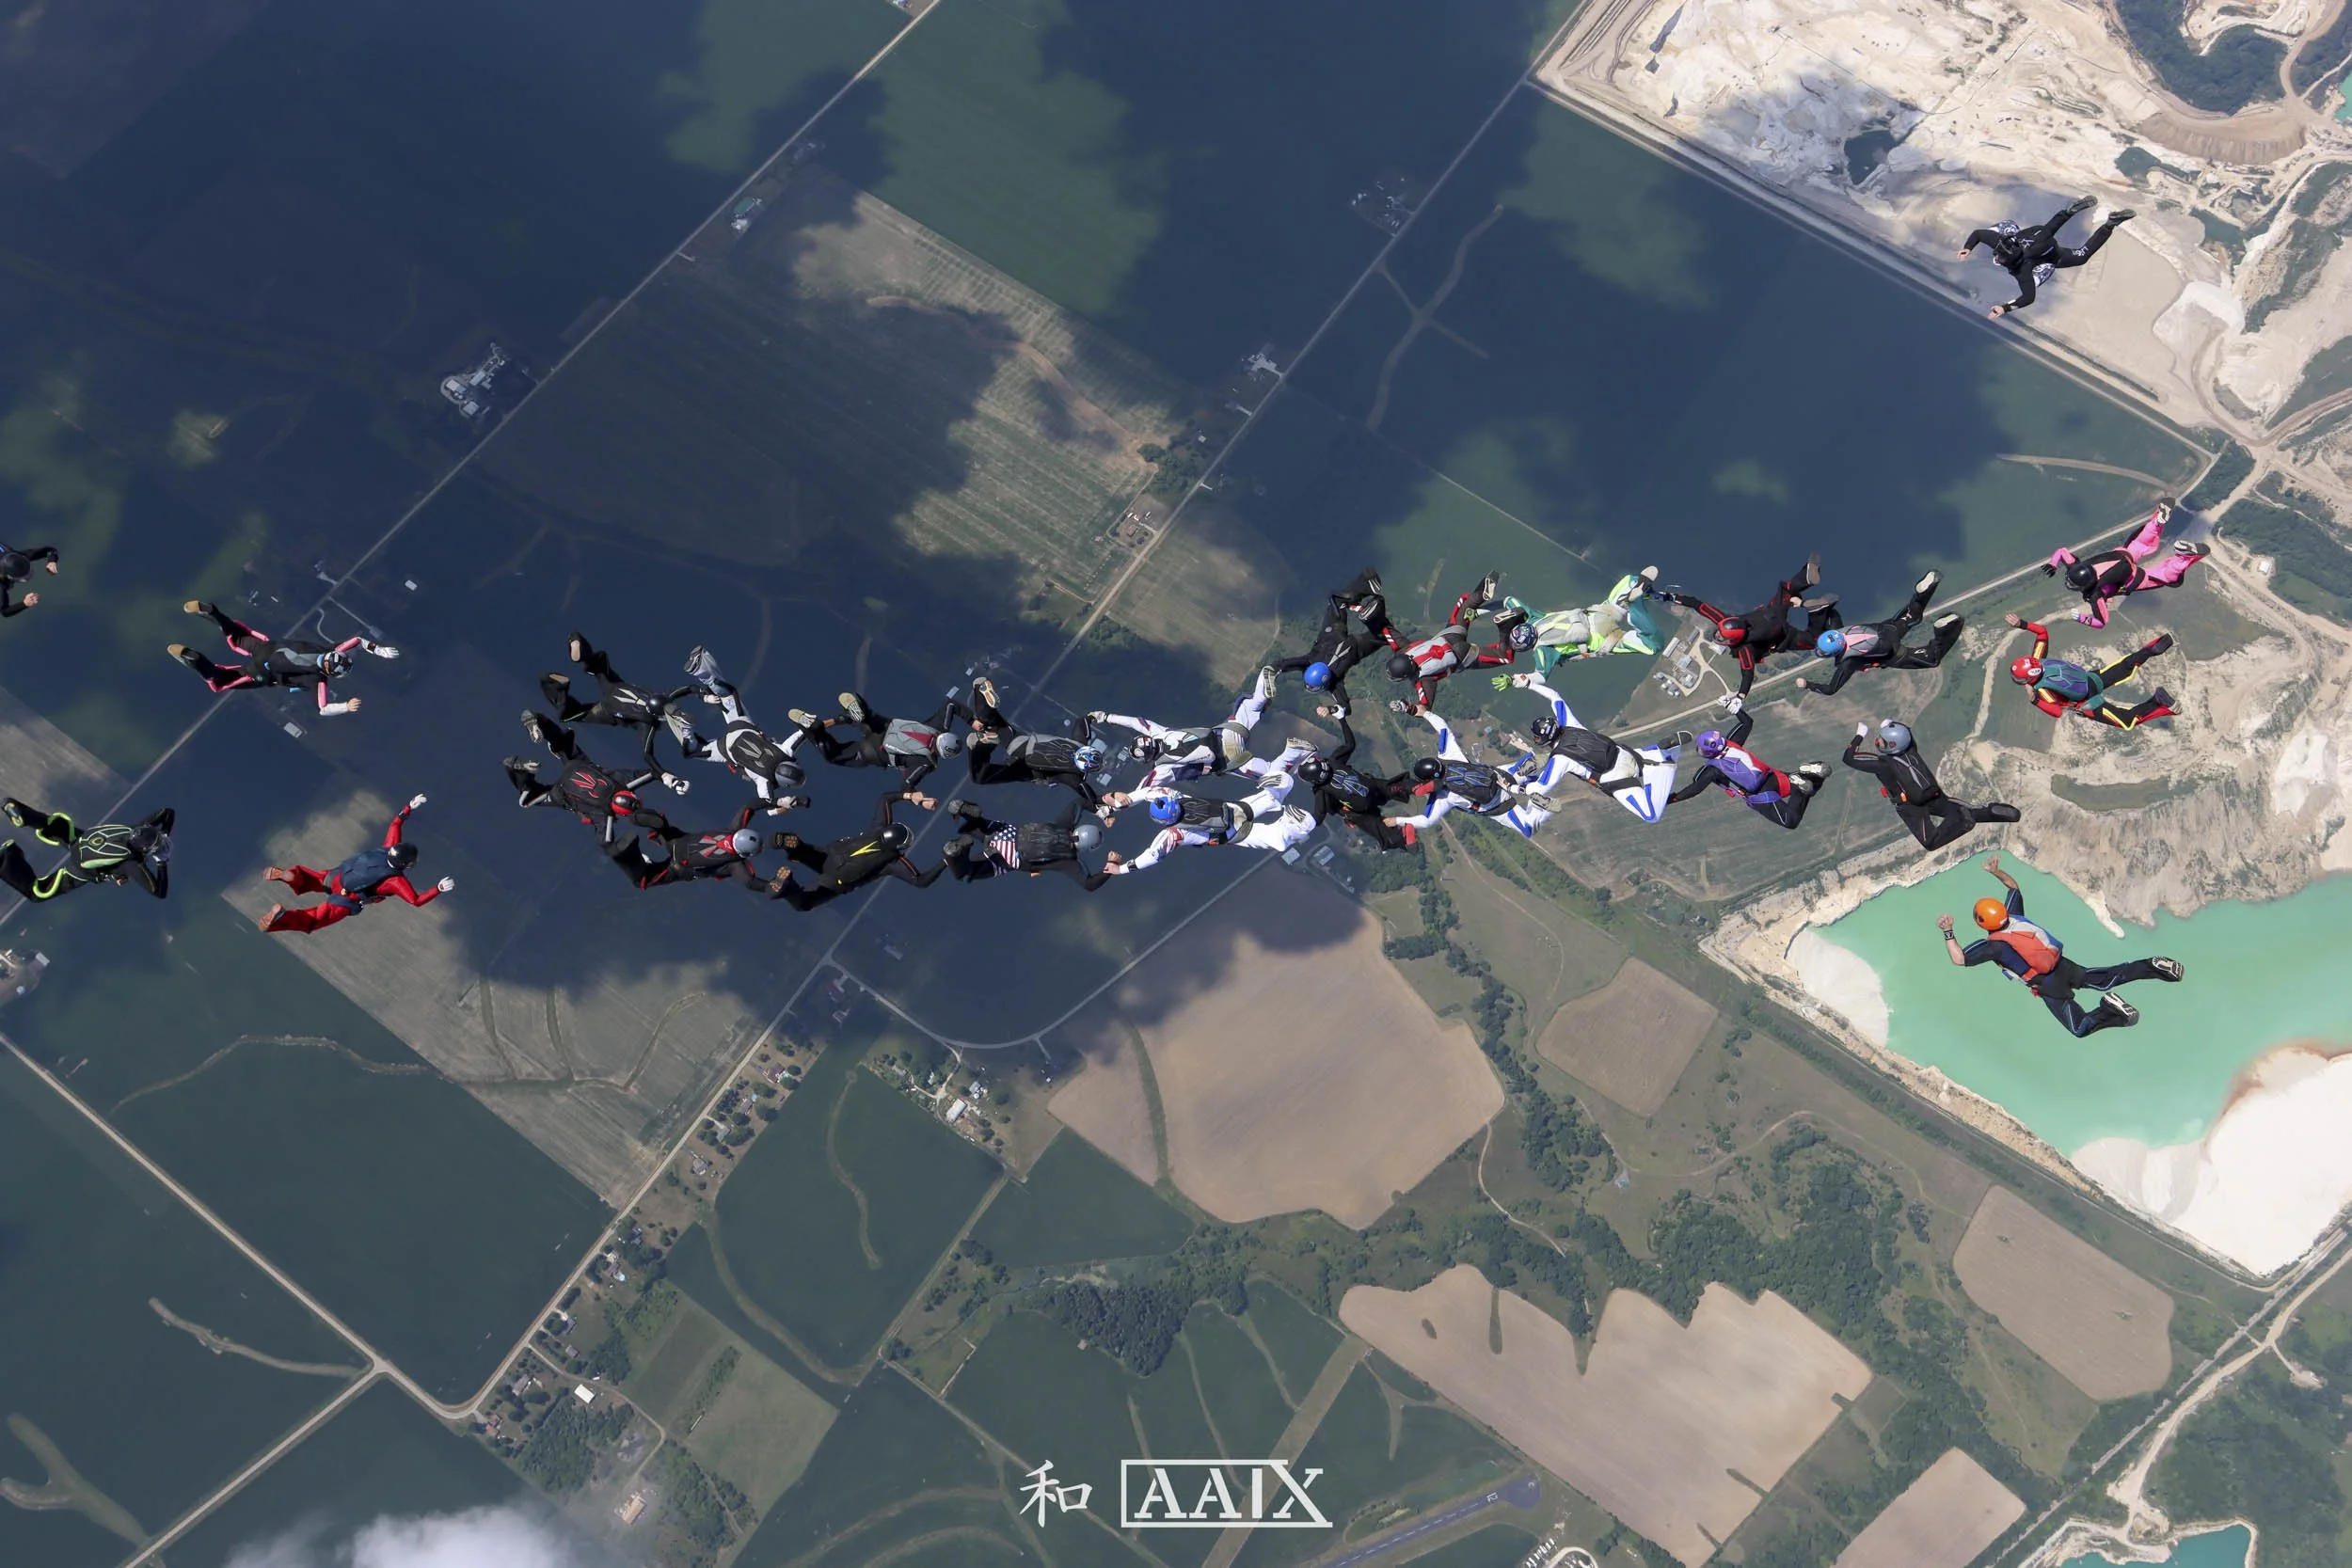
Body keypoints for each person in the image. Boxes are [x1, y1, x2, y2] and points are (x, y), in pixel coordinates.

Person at [1937, 852, 2183, 1035]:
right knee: (2108, 976)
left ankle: (2111, 1010)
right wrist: (1996, 872)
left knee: (2079, 1027)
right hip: (2062, 964)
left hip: (2048, 985)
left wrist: (1948, 931)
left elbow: (1959, 959)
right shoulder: (2014, 916)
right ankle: (2154, 965)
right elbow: (2013, 887)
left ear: (1982, 923)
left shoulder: (1994, 946)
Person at [1498, 673, 1685, 825]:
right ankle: (1658, 753)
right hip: (1626, 754)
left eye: (1537, 736)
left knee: (1651, 815)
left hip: (1615, 778)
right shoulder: (1570, 724)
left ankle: (1664, 763)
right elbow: (1555, 697)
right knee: (1644, 759)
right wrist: (1528, 683)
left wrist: (1516, 788)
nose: (1536, 739)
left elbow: (1541, 787)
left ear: (1545, 738)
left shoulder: (1560, 759)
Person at [1109, 747, 1322, 874]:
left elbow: (1152, 855)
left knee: (1278, 839)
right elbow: (1149, 792)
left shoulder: (1173, 834)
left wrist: (1122, 869)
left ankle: (1292, 823)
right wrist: (1125, 800)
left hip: (1235, 834)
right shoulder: (1174, 797)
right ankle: (1283, 770)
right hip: (1233, 808)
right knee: (1275, 793)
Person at [261, 794, 453, 933]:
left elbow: (395, 825)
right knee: (314, 920)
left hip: (338, 876)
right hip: (348, 899)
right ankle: (282, 918)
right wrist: (439, 888)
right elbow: (416, 901)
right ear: (405, 864)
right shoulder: (395, 881)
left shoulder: (388, 846)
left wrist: (408, 808)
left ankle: (293, 877)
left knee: (312, 880)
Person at [169, 600, 399, 716]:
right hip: (263, 673)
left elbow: (357, 640)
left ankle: (212, 613)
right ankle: (195, 659)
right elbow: (323, 708)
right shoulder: (316, 680)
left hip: (267, 648)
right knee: (222, 680)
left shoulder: (329, 648)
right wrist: (346, 707)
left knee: (237, 634)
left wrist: (379, 650)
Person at [1655, 556, 1840, 698]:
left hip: (1785, 636)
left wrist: (1741, 696)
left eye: (1722, 637)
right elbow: (1697, 604)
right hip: (1773, 613)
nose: (1718, 636)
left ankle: (1817, 612)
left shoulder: (1744, 648)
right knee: (1787, 590)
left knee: (1815, 641)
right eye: (1720, 634)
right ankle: (1806, 576)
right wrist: (1668, 596)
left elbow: (1748, 674)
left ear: (1734, 639)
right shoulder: (1726, 620)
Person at [540, 633, 696, 793]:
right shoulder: (647, 724)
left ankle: (576, 649)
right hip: (608, 711)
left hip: (614, 688)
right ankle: (557, 694)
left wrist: (704, 693)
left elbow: (683, 689)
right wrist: (666, 777)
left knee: (599, 667)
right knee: (569, 714)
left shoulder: (661, 696)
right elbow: (647, 755)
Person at [1841, 720, 2020, 848]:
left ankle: (1964, 823)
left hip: (1910, 806)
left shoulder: (1882, 764)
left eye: (1882, 740)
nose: (1878, 741)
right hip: (1933, 794)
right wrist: (1890, 724)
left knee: (1931, 841)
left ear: (1891, 745)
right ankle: (1993, 812)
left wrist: (1859, 736)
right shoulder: (1910, 748)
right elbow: (1906, 732)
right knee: (1962, 810)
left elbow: (1848, 758)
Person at [1089, 666, 1278, 788]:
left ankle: (1297, 756)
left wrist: (1119, 804)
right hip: (1226, 732)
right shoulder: (1160, 733)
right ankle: (1264, 684)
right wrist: (1105, 716)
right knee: (1249, 706)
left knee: (1272, 774)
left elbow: (1144, 788)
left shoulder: (1163, 767)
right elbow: (1135, 722)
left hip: (1231, 760)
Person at [504, 711, 672, 847]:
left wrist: (667, 778)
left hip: (578, 766)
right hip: (562, 793)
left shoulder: (623, 782)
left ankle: (540, 720)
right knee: (530, 798)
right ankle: (515, 767)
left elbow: (649, 774)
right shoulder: (603, 817)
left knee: (562, 742)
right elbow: (605, 841)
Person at [675, 648, 813, 810]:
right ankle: (686, 729)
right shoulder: (765, 781)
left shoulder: (786, 752)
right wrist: (789, 803)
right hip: (727, 749)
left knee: (728, 695)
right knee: (694, 751)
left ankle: (700, 668)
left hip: (742, 727)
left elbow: (802, 733)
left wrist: (818, 725)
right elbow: (767, 803)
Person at [1665, 697, 1830, 830]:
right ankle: (1807, 774)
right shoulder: (1732, 742)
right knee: (1812, 786)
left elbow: (1695, 788)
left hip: (1761, 794)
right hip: (1774, 777)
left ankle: (1802, 786)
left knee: (1790, 821)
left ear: (1708, 753)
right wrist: (1732, 706)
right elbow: (1747, 723)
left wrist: (1671, 799)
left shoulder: (1712, 769)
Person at [1385, 711, 1554, 839]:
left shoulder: (1442, 797)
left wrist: (1395, 821)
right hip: (1499, 777)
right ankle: (1533, 775)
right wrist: (1424, 712)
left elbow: (1426, 820)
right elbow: (1444, 728)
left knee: (1528, 828)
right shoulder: (1448, 757)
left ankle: (1537, 803)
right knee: (1527, 769)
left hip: (1498, 805)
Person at [1960, 196, 2135, 318]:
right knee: (2047, 230)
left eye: (2000, 259)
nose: (1997, 258)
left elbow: (2029, 298)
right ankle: (2070, 212)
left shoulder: (2023, 271)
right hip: (2036, 236)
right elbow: (1978, 234)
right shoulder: (2002, 243)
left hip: (2052, 256)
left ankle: (2109, 225)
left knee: (2081, 257)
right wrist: (1968, 248)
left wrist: (2005, 308)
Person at [768, 791, 942, 910]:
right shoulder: (893, 862)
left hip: (829, 855)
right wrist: (947, 860)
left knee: (806, 852)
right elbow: (921, 881)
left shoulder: (879, 827)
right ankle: (789, 889)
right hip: (837, 879)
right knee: (804, 903)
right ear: (900, 847)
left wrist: (912, 796)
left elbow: (885, 799)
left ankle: (793, 846)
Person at [2046, 499, 2207, 627]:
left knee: (2164, 576)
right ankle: (2156, 523)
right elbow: (2061, 551)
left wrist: (2081, 618)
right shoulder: (2076, 566)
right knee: (2140, 544)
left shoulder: (2095, 595)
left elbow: (2101, 622)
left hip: (2132, 578)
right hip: (2122, 555)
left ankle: (2183, 559)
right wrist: (2053, 564)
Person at [1797, 571, 1962, 696]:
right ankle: (1923, 592)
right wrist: (1809, 605)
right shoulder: (1837, 629)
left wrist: (1806, 685)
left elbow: (1831, 689)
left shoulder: (1848, 662)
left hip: (1893, 653)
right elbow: (1830, 612)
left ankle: (1943, 630)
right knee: (1912, 617)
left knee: (1932, 659)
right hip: (1887, 629)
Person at [962, 677, 1111, 814]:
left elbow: (1081, 722)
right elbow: (1086, 792)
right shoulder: (1072, 776)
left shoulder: (1080, 742)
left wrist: (1093, 717)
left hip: (1022, 743)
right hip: (1026, 770)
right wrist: (1101, 802)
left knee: (992, 721)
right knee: (980, 778)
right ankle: (978, 744)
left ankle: (979, 687)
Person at [1386, 571, 1528, 714]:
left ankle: (1506, 626)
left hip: (1462, 656)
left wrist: (1406, 708)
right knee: (1465, 608)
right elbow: (1389, 632)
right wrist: (1372, 618)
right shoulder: (1404, 649)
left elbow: (1425, 708)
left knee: (1504, 656)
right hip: (1450, 636)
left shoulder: (1423, 680)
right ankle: (1481, 593)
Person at [2003, 615, 2177, 730]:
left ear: (2028, 679)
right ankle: (2153, 648)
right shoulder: (2039, 658)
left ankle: (2158, 703)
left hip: (2087, 703)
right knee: (2125, 666)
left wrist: (2035, 700)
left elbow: (2057, 712)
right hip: (2090, 679)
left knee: (2126, 721)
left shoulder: (2042, 690)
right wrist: (2021, 624)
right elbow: (2042, 632)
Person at [1273, 568, 1403, 715]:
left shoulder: (1333, 684)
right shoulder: (1309, 663)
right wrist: (1271, 672)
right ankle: (1366, 583)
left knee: (1382, 635)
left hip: (1356, 646)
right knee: (1337, 600)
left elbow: (1346, 709)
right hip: (1333, 633)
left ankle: (1378, 612)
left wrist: (1331, 709)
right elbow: (1283, 664)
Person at [1494, 567, 1665, 676]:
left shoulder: (1543, 650)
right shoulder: (1534, 618)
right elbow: (1509, 600)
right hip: (1595, 615)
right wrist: (1478, 610)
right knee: (1615, 603)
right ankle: (1634, 584)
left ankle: (1636, 606)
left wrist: (1515, 680)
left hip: (1603, 639)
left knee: (1652, 645)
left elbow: (1539, 676)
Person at [788, 688, 965, 792]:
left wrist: (973, 721)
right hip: (874, 752)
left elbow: (951, 705)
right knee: (835, 755)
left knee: (867, 716)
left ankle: (859, 710)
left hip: (884, 726)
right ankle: (814, 727)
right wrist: (914, 796)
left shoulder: (939, 727)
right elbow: (906, 784)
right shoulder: (925, 763)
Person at [0, 800, 172, 901]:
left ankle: (22, 814)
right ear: (144, 849)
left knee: (57, 828)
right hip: (79, 870)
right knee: (38, 892)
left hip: (82, 841)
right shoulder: (132, 864)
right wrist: (162, 862)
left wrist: (164, 832)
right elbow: (158, 891)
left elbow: (167, 812)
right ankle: (5, 857)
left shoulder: (134, 828)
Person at [1295, 714, 1418, 850]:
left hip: (1360, 809)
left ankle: (1402, 839)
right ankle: (1413, 787)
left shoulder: (1321, 791)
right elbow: (1350, 744)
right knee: (1392, 787)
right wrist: (1342, 719)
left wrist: (1296, 831)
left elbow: (1317, 818)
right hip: (1372, 788)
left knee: (1376, 827)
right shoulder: (1334, 761)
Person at [940, 800, 1114, 891]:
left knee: (980, 825)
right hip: (1007, 859)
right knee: (965, 873)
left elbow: (1079, 802)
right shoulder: (1069, 862)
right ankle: (954, 853)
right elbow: (1089, 884)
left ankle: (963, 809)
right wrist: (1111, 868)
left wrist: (1101, 812)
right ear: (1088, 848)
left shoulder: (1065, 824)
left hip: (1006, 833)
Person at [611, 804, 777, 892]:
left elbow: (749, 806)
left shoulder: (733, 829)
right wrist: (773, 886)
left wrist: (776, 802)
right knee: (642, 881)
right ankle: (631, 854)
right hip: (679, 868)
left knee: (665, 832)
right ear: (746, 853)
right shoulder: (735, 865)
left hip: (679, 841)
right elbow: (750, 882)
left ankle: (656, 824)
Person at [1, 542, 59, 618]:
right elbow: (4, 611)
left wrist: (52, 561)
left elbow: (50, 551)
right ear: (8, 576)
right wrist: (25, 603)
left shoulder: (19, 557)